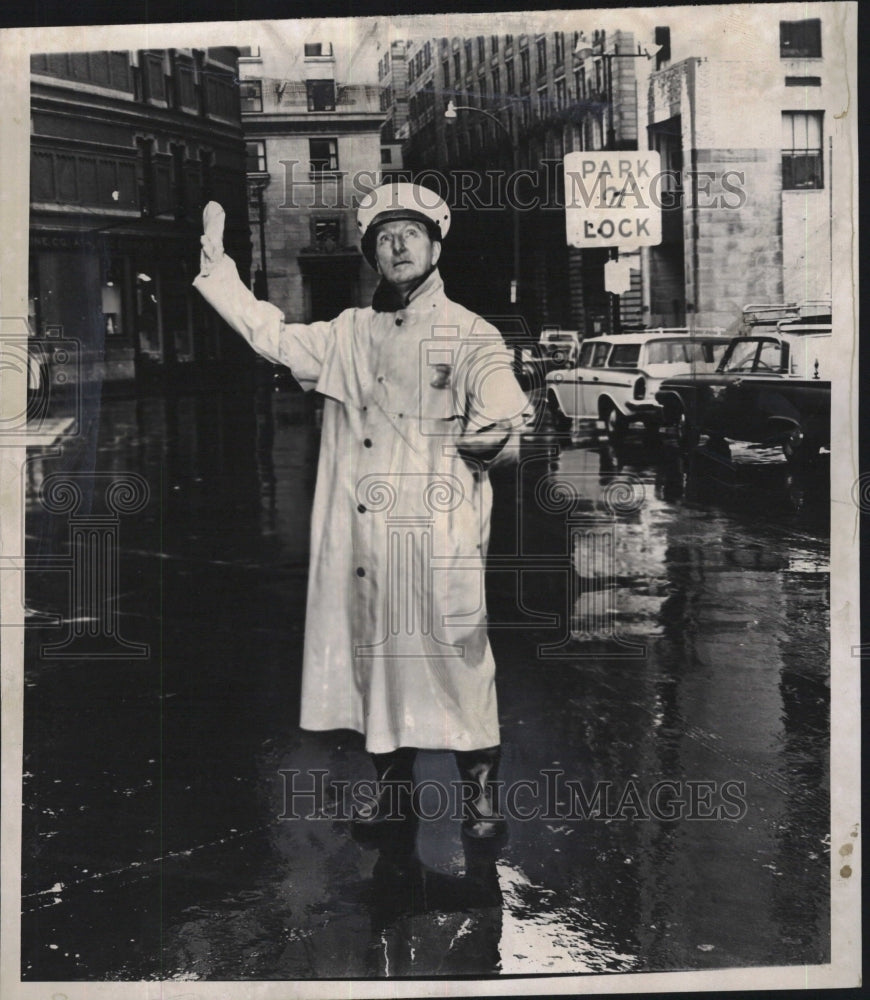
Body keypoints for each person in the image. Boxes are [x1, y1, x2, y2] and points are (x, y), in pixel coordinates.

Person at [193, 183, 529, 839]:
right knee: (376, 663)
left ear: (435, 247)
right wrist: (220, 272)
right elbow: (272, 335)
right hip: (364, 542)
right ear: (373, 254)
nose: (398, 246)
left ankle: (481, 798)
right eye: (385, 237)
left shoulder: (471, 334)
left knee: (458, 660)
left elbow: (505, 415)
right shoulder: (348, 332)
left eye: (411, 234)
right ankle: (394, 796)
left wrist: (494, 437)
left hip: (436, 536)